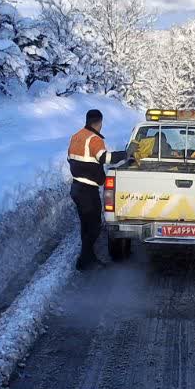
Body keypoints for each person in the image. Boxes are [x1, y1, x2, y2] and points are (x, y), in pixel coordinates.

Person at [67, 109, 125, 270]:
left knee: (86, 225)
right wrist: (125, 154)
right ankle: (84, 261)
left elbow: (70, 158)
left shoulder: (76, 136)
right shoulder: (94, 139)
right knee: (94, 226)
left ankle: (88, 257)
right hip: (87, 190)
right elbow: (104, 158)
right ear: (99, 123)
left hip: (77, 187)